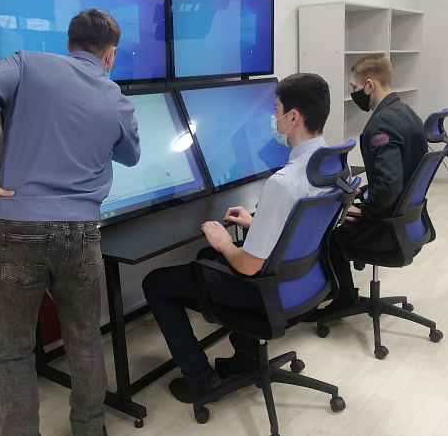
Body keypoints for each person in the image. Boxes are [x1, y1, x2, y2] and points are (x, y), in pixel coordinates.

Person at [0, 9, 140, 436]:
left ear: (69, 43)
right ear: (110, 54)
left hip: (19, 229)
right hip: (82, 234)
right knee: (85, 341)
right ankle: (90, 430)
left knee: (13, 352)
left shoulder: (27, 64)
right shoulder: (116, 97)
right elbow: (131, 155)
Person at [142, 73, 333, 404]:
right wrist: (256, 224)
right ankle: (246, 356)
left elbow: (247, 266)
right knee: (207, 258)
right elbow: (302, 228)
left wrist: (224, 242)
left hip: (268, 292)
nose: (273, 116)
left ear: (293, 118)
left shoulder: (283, 182)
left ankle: (200, 379)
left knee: (157, 282)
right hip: (307, 282)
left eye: (277, 109)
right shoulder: (330, 163)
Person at [311, 54, 427, 318]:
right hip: (407, 220)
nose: (353, 92)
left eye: (354, 87)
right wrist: (364, 192)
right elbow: (402, 175)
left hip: (387, 225)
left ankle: (343, 298)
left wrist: (365, 210)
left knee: (329, 232)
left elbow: (389, 185)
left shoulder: (381, 123)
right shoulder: (408, 113)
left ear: (369, 85)